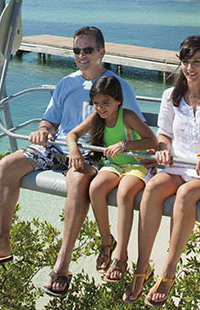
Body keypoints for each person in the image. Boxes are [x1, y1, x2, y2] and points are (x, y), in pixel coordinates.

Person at [0, 26, 143, 299]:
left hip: (90, 152)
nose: (81, 56)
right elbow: (50, 120)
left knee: (76, 179)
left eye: (87, 50)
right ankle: (0, 243)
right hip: (58, 147)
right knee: (7, 166)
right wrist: (43, 130)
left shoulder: (117, 86)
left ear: (101, 52)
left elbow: (132, 124)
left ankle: (62, 266)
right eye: (76, 50)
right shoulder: (66, 84)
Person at [125, 35, 200, 305]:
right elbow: (164, 134)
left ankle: (168, 271)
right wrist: (163, 147)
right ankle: (142, 267)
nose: (190, 68)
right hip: (177, 164)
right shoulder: (171, 96)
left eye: (196, 62)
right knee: (152, 188)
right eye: (186, 62)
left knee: (185, 195)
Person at [65, 75, 157, 283]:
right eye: (96, 103)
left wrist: (124, 145)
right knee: (95, 187)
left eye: (105, 103)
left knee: (125, 192)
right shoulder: (96, 118)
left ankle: (120, 255)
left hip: (136, 164)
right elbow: (73, 134)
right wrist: (74, 150)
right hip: (114, 165)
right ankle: (107, 240)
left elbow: (152, 140)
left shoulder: (128, 116)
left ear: (118, 100)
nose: (100, 108)